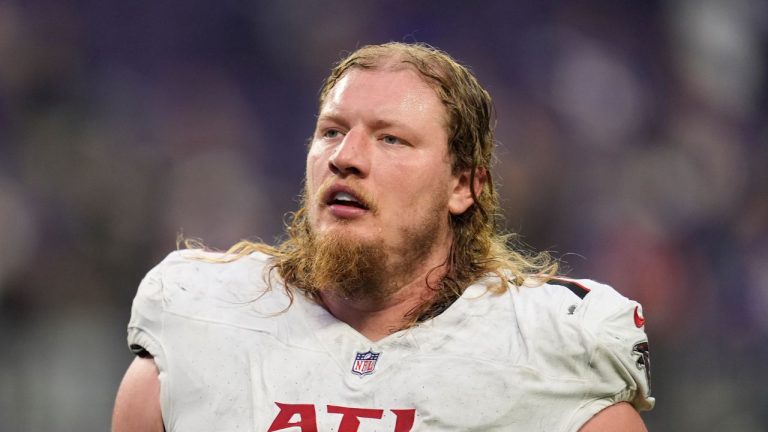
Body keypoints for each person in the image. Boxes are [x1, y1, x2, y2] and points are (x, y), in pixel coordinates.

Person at [112, 42, 653, 432]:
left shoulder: (555, 359)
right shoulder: (198, 334)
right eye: (331, 132)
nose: (346, 158)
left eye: (391, 139)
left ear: (463, 185)